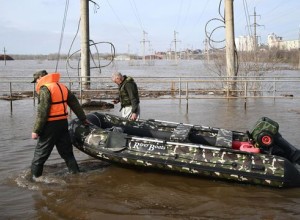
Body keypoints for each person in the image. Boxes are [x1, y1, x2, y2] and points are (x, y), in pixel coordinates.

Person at [31, 70, 88, 179]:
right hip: (62, 123)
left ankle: (34, 179)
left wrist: (36, 130)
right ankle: (76, 175)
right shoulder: (62, 87)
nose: (36, 83)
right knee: (67, 153)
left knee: (40, 155)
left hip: (50, 125)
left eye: (36, 80)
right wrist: (83, 119)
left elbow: (43, 112)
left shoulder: (45, 89)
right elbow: (74, 104)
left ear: (40, 78)